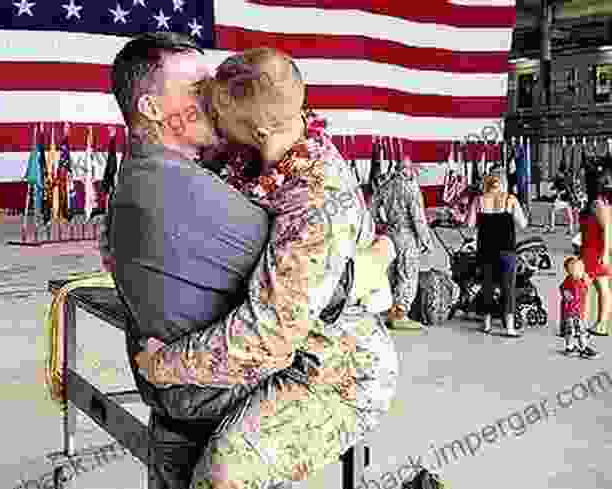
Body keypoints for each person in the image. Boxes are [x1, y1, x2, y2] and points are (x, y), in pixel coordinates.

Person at [107, 35, 397, 488]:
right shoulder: (185, 175)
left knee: (223, 473)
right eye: (200, 89)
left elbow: (274, 328)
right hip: (226, 375)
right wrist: (360, 270)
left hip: (330, 369)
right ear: (151, 107)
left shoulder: (304, 190)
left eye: (214, 89)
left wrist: (162, 366)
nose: (214, 98)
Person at [371, 157, 433, 329]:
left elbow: (372, 208)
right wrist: (426, 240)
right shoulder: (410, 188)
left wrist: (381, 224)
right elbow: (418, 219)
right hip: (407, 236)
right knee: (407, 273)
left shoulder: (385, 186)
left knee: (390, 273)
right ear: (407, 169)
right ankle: (400, 313)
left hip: (389, 234)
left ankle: (387, 310)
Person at [466, 174, 527, 336]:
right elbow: (523, 224)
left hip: (485, 249)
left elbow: (469, 224)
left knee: (487, 286)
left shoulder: (478, 200)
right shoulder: (510, 200)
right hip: (507, 249)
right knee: (508, 287)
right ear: (503, 183)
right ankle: (509, 327)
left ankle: (486, 324)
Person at [579, 166, 612, 337]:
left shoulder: (598, 203)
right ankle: (600, 324)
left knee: (581, 286)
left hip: (594, 251)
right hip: (590, 249)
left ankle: (579, 322)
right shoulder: (595, 202)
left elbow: (607, 228)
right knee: (602, 288)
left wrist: (605, 253)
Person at [560, 256, 600, 358]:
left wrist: (586, 283)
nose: (582, 272)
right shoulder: (572, 282)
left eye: (582, 269)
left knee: (575, 330)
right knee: (576, 331)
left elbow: (583, 291)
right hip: (573, 313)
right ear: (570, 271)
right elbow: (568, 292)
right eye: (580, 270)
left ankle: (575, 347)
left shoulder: (573, 281)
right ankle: (578, 347)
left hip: (573, 312)